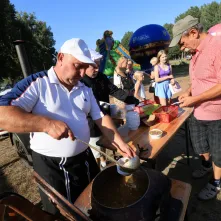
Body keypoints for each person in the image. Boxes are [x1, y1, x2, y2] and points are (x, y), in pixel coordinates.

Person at [0, 38, 136, 215]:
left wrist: (120, 143)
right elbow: (3, 114)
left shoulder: (84, 88)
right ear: (60, 57)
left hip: (85, 158)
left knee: (93, 203)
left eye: (84, 67)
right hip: (52, 165)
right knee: (64, 214)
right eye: (77, 66)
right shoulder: (38, 83)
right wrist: (45, 124)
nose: (81, 73)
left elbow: (101, 117)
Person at [170, 15, 221, 200]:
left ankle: (216, 183)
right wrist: (190, 92)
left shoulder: (217, 46)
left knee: (218, 152)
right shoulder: (196, 52)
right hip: (198, 110)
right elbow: (199, 79)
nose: (182, 48)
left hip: (217, 114)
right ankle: (207, 167)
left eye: (182, 43)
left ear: (193, 33)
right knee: (201, 146)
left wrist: (196, 98)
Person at [81, 49, 139, 169]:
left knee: (110, 143)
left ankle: (110, 162)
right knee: (97, 150)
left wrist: (129, 99)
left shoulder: (101, 77)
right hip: (90, 124)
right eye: (94, 66)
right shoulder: (81, 82)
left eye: (98, 65)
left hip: (106, 120)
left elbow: (114, 90)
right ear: (85, 65)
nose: (97, 68)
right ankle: (100, 166)